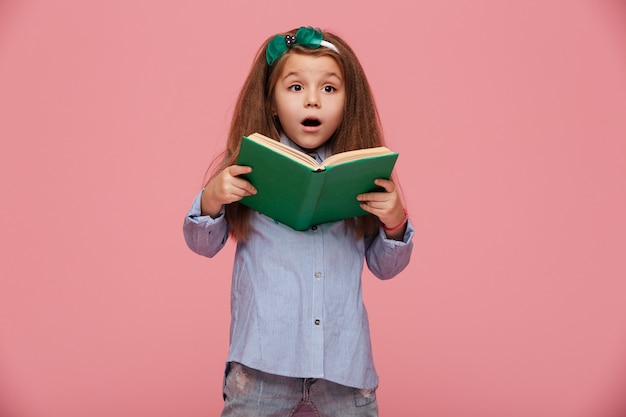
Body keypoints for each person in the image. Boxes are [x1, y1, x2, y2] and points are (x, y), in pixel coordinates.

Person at [183, 26, 414, 417]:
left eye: (329, 88)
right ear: (272, 102)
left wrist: (395, 222)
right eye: (295, 87)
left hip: (343, 369)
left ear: (348, 101)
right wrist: (211, 199)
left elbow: (385, 267)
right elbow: (203, 244)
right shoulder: (249, 166)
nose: (312, 100)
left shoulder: (360, 171)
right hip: (261, 367)